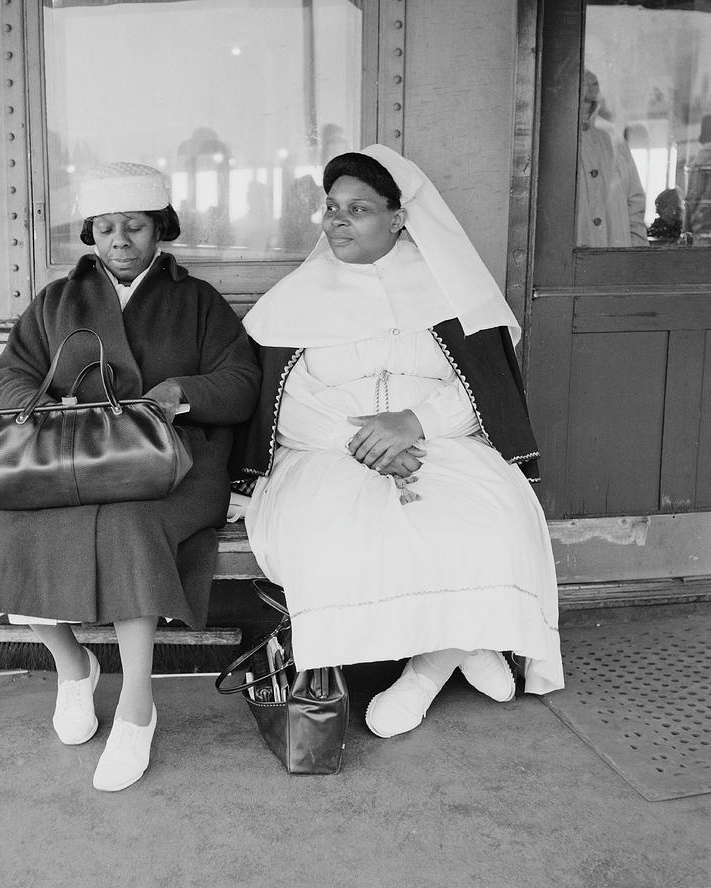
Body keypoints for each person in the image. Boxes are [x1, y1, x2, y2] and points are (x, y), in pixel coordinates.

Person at [0, 162, 260, 789]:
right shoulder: (60, 300)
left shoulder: (197, 302)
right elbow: (13, 371)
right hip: (72, 461)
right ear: (92, 233)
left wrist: (180, 393)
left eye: (134, 227)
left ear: (159, 229)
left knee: (130, 529)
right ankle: (72, 664)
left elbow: (242, 382)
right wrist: (41, 405)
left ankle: (138, 704)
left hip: (171, 464)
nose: (120, 241)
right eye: (106, 228)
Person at [237, 145, 563, 740]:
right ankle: (466, 645)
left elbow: (484, 391)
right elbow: (289, 402)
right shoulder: (297, 298)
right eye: (331, 208)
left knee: (490, 521)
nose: (336, 221)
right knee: (336, 536)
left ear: (399, 216)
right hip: (327, 452)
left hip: (440, 442)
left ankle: (424, 674)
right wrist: (365, 440)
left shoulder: (453, 291)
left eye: (357, 209)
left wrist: (413, 424)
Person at [576, 69, 647, 247]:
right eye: (584, 84)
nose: (589, 88)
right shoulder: (554, 141)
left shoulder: (613, 140)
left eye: (594, 84)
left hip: (615, 259)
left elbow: (635, 204)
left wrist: (635, 256)